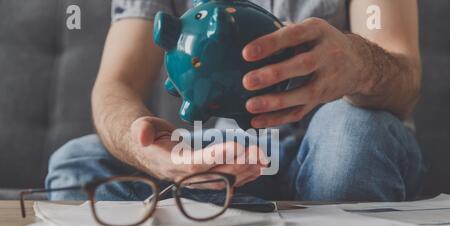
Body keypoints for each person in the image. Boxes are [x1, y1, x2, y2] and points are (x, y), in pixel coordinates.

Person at [46, 0, 424, 202]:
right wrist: (150, 152)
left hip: (332, 141)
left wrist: (359, 64)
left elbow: (405, 83)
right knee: (77, 164)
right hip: (222, 160)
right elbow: (116, 86)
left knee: (352, 142)